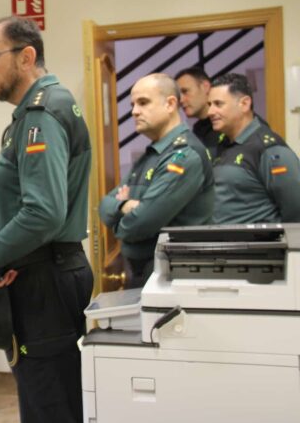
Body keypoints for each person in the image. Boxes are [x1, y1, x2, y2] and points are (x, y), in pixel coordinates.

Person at [0, 16, 93, 423]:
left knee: (51, 413)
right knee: (50, 407)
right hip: (43, 276)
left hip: (44, 280)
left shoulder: (42, 112)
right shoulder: (34, 112)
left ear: (26, 56)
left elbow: (42, 213)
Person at [99, 74, 214, 288]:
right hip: (147, 273)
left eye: (143, 102)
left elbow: (140, 224)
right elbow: (104, 205)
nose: (134, 111)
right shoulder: (152, 154)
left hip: (173, 276)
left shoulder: (183, 155)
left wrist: (119, 225)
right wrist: (124, 205)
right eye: (133, 104)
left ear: (170, 104)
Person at [208, 73, 300, 223]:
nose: (210, 112)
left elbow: (295, 209)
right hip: (222, 244)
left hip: (258, 245)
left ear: (244, 104)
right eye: (209, 105)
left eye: (218, 104)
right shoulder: (221, 146)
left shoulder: (269, 149)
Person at [175, 67, 218, 153]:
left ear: (205, 87)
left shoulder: (228, 124)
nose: (181, 100)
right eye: (179, 96)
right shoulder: (197, 130)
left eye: (185, 91)